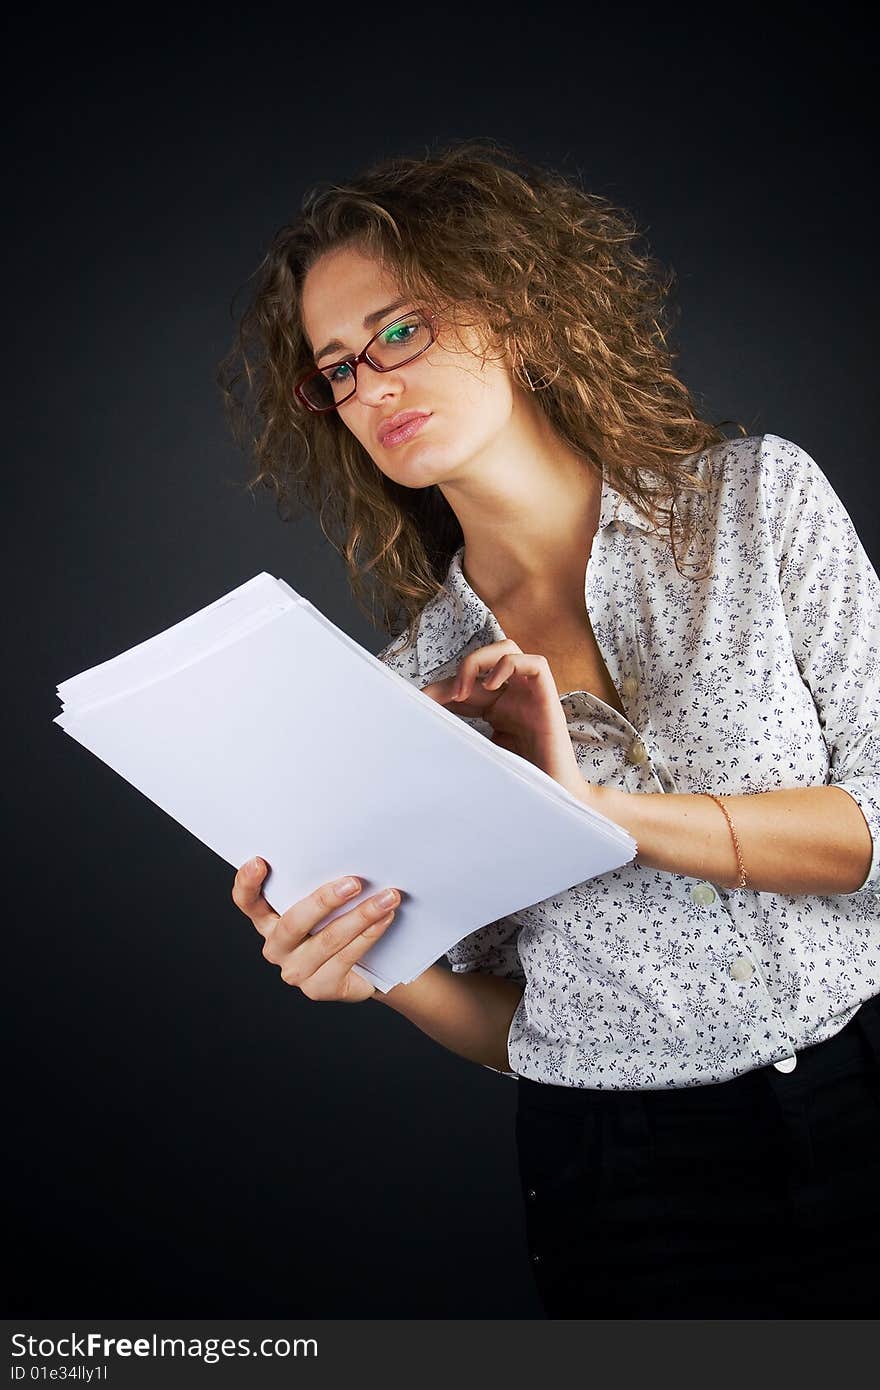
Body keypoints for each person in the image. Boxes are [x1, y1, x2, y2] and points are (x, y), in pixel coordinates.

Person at [218, 139, 880, 1318]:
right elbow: (521, 1026)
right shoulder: (407, 688)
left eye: (399, 332)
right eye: (337, 373)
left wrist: (595, 816)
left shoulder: (756, 502)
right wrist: (379, 964)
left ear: (515, 313)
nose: (370, 386)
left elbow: (873, 826)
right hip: (626, 1184)